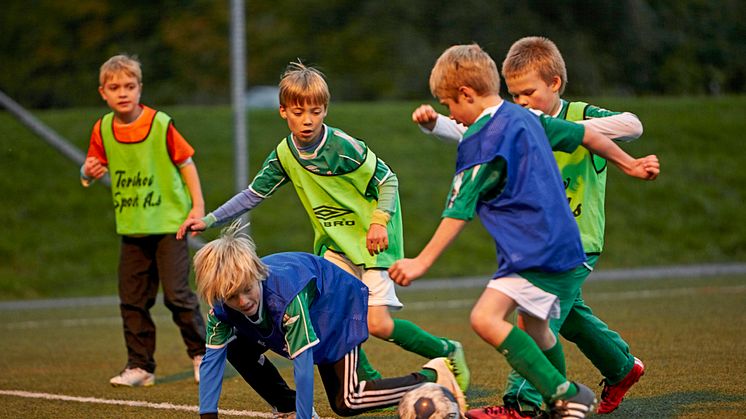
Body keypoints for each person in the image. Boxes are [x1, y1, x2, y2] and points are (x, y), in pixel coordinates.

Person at [389, 44, 659, 419]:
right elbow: (585, 137)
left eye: (450, 106)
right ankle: (565, 399)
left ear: (467, 95)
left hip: (539, 251)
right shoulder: (524, 119)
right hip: (554, 246)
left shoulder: (483, 141)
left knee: (487, 319)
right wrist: (629, 165)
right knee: (538, 328)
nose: (452, 115)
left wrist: (421, 261)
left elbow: (458, 211)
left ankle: (552, 397)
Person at [177, 61, 470, 393]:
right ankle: (367, 378)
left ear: (325, 110)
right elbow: (252, 195)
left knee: (378, 324)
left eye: (315, 111)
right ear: (283, 111)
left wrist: (379, 222)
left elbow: (388, 180)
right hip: (334, 247)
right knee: (330, 318)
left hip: (374, 242)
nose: (307, 120)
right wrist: (209, 219)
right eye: (299, 111)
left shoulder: (344, 147)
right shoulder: (284, 155)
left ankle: (447, 352)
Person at [193, 221, 466, 418]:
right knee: (235, 346)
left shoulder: (287, 299)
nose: (243, 301)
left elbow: (303, 365)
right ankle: (286, 406)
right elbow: (211, 362)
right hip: (312, 305)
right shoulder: (221, 309)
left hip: (336, 304)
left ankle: (432, 375)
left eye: (247, 290)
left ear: (257, 275)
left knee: (346, 402)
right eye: (231, 296)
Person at [80, 54, 206, 387]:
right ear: (103, 93)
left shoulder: (160, 124)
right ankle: (140, 367)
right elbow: (93, 166)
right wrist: (87, 172)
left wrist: (198, 207)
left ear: (140, 88)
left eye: (129, 86)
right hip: (133, 228)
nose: (123, 92)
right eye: (115, 87)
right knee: (132, 300)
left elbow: (187, 163)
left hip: (170, 225)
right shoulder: (103, 128)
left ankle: (202, 355)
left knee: (177, 295)